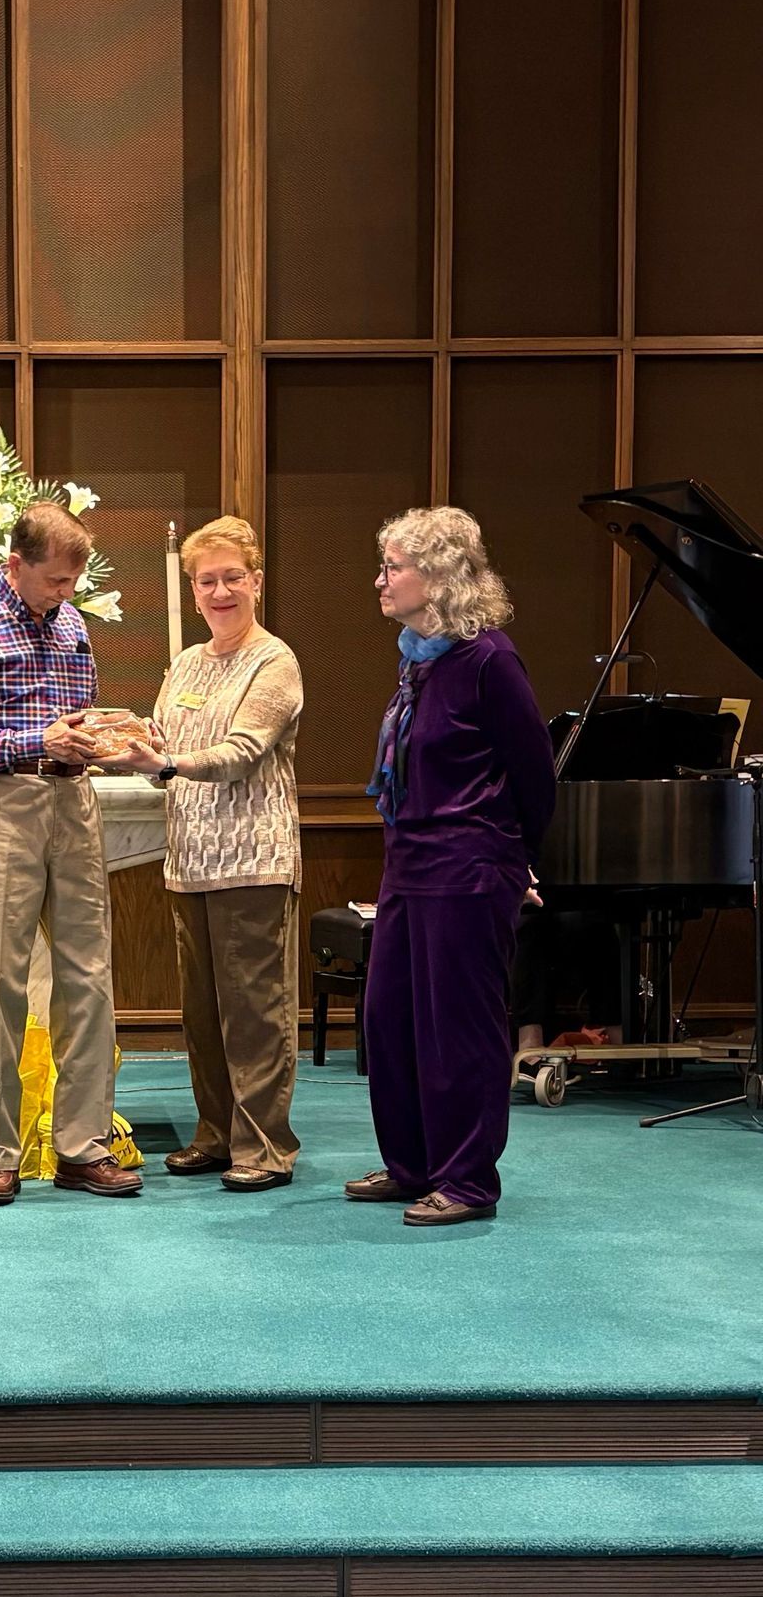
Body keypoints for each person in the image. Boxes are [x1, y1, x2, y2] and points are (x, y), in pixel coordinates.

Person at [0, 501, 140, 1207]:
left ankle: (82, 1148)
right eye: (55, 580)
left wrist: (110, 738)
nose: (67, 594)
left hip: (72, 805)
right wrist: (35, 743)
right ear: (16, 565)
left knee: (90, 977)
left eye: (75, 582)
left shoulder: (73, 624)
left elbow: (75, 722)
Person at [347, 506, 555, 1227]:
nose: (381, 579)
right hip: (408, 865)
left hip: (469, 869)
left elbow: (535, 771)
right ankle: (413, 1165)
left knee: (459, 1029)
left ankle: (466, 1180)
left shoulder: (489, 660)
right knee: (392, 1022)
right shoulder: (418, 658)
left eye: (392, 567)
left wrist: (516, 861)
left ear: (435, 576)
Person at [110, 516, 304, 1191]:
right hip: (190, 861)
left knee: (255, 1010)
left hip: (253, 859)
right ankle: (216, 1134)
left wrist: (167, 764)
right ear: (192, 592)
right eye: (206, 581)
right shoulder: (188, 662)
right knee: (203, 1012)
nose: (220, 591)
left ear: (256, 582)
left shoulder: (274, 660)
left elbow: (245, 751)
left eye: (231, 578)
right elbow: (160, 734)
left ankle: (266, 1147)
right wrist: (114, 736)